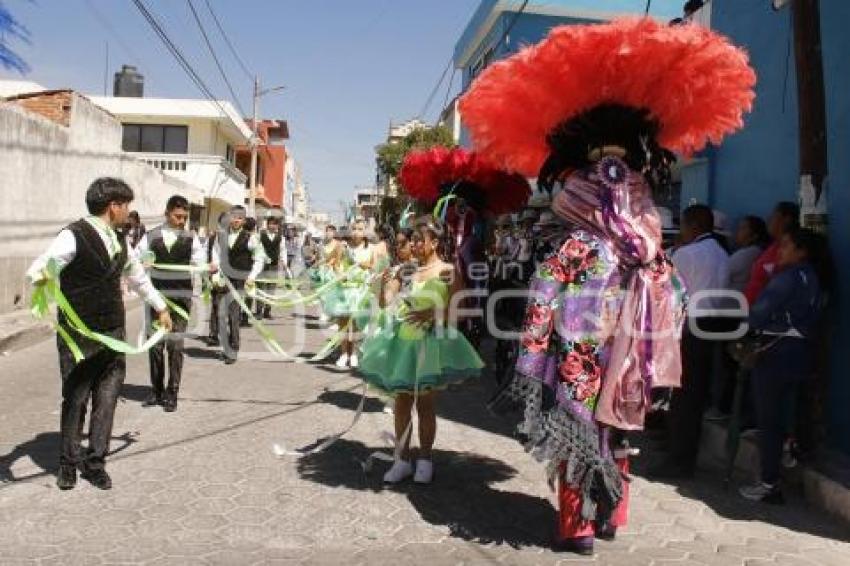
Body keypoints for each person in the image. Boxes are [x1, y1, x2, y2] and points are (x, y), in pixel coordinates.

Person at [460, 16, 754, 555]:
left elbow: (545, 291)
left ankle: (580, 527)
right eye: (605, 171)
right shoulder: (649, 249)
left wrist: (529, 352)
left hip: (589, 350)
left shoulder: (585, 235)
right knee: (618, 428)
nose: (611, 184)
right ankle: (609, 515)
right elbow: (672, 297)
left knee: (588, 428)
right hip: (624, 349)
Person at [26, 177, 173, 490]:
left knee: (107, 398)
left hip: (113, 331)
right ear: (114, 206)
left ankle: (96, 463)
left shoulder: (120, 240)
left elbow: (138, 278)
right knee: (76, 398)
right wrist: (41, 278)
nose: (128, 212)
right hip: (78, 336)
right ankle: (68, 464)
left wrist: (161, 307)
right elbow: (42, 266)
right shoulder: (73, 235)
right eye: (126, 206)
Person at [359, 217, 484, 484]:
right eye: (412, 240)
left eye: (419, 240)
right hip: (402, 343)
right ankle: (401, 459)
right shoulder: (405, 270)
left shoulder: (448, 271)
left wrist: (435, 313)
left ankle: (425, 459)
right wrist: (382, 285)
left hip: (430, 344)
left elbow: (463, 310)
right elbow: (386, 302)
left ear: (434, 242)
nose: (414, 245)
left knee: (426, 404)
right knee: (402, 402)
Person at [739, 228, 825, 503]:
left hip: (775, 352)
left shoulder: (786, 278)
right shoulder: (812, 277)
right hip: (799, 352)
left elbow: (758, 315)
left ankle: (769, 482)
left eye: (786, 246)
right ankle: (787, 453)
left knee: (769, 419)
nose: (780, 251)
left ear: (801, 251)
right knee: (785, 415)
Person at [655, 204, 731, 478]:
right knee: (695, 394)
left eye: (684, 226)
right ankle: (682, 450)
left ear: (694, 226)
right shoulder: (722, 254)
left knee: (683, 394)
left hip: (690, 327)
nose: (682, 232)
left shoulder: (688, 254)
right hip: (713, 326)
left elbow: (669, 291)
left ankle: (679, 459)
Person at [136, 195, 207, 412]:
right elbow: (136, 262)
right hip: (156, 299)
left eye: (184, 217)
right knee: (155, 346)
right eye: (177, 216)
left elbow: (200, 262)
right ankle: (156, 390)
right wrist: (143, 263)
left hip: (181, 299)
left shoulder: (191, 238)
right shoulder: (150, 237)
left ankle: (172, 391)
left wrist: (208, 269)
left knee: (175, 346)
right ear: (167, 213)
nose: (181, 221)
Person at [210, 205, 265, 364]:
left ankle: (233, 350)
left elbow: (259, 258)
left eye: (240, 218)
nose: (236, 220)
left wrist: (252, 276)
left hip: (240, 281)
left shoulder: (251, 238)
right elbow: (216, 253)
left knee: (234, 316)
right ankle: (226, 346)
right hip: (222, 280)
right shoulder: (221, 236)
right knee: (220, 314)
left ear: (244, 220)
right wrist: (214, 269)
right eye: (234, 217)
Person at [325, 220, 374, 369]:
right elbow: (334, 263)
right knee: (343, 324)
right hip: (344, 289)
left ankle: (354, 353)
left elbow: (373, 267)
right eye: (354, 229)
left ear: (365, 231)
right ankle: (343, 353)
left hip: (360, 291)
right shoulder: (343, 246)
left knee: (357, 324)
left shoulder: (370, 248)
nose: (356, 232)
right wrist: (340, 273)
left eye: (360, 229)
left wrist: (366, 269)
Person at [744, 202, 800, 305]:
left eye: (774, 216)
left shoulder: (789, 253)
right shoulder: (773, 246)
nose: (769, 219)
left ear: (787, 219)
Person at [256, 217, 287, 320]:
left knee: (271, 289)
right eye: (271, 224)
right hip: (262, 265)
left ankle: (267, 312)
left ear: (277, 226)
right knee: (260, 288)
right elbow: (256, 249)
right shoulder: (261, 235)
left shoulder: (280, 237)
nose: (273, 226)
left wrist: (284, 262)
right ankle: (258, 312)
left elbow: (283, 250)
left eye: (275, 224)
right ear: (267, 225)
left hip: (274, 265)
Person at [728, 215, 770, 293]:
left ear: (754, 236)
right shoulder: (758, 251)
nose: (738, 231)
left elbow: (723, 272)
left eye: (743, 228)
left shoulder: (745, 254)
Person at [206, 212, 227, 346]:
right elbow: (208, 254)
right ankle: (214, 334)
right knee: (216, 305)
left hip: (232, 278)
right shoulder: (214, 237)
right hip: (216, 276)